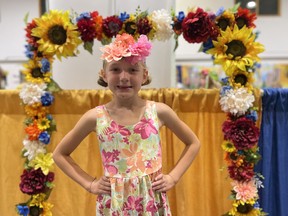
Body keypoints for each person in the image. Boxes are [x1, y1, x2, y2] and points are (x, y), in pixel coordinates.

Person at [53, 33, 200, 215]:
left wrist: (174, 177)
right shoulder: (95, 117)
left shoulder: (158, 112)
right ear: (104, 75)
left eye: (132, 70)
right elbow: (60, 154)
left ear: (144, 75)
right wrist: (90, 184)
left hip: (151, 203)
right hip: (114, 204)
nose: (124, 77)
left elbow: (193, 142)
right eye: (115, 69)